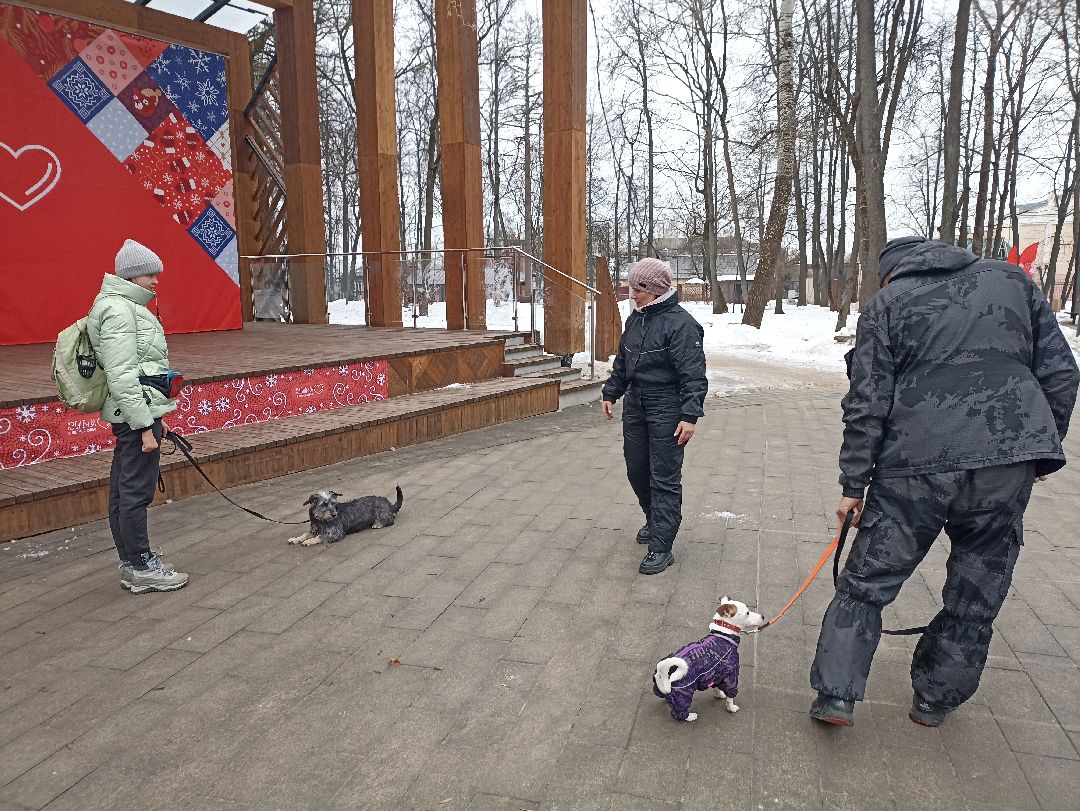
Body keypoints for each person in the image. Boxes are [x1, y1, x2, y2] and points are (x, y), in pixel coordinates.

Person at [809, 236, 1079, 727]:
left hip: (913, 465)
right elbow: (1061, 373)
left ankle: (836, 695)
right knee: (979, 583)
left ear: (892, 273)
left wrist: (853, 485)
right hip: (1006, 459)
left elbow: (867, 404)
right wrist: (1037, 451)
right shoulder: (1013, 281)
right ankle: (936, 698)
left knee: (867, 580)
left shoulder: (886, 304)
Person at [88, 239, 189, 594]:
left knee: (123, 489)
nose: (156, 282)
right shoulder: (120, 310)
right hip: (135, 416)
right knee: (135, 491)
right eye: (151, 275)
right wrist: (146, 425)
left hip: (135, 412)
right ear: (132, 275)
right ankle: (141, 564)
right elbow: (122, 375)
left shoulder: (118, 305)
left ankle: (133, 562)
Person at [602, 258, 708, 575]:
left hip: (667, 406)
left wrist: (690, 415)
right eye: (632, 288)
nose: (632, 294)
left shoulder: (682, 324)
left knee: (664, 477)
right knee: (637, 470)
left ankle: (662, 545)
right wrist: (611, 391)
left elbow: (694, 375)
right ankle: (653, 519)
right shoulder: (636, 320)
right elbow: (624, 361)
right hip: (636, 405)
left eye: (637, 289)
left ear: (654, 289)